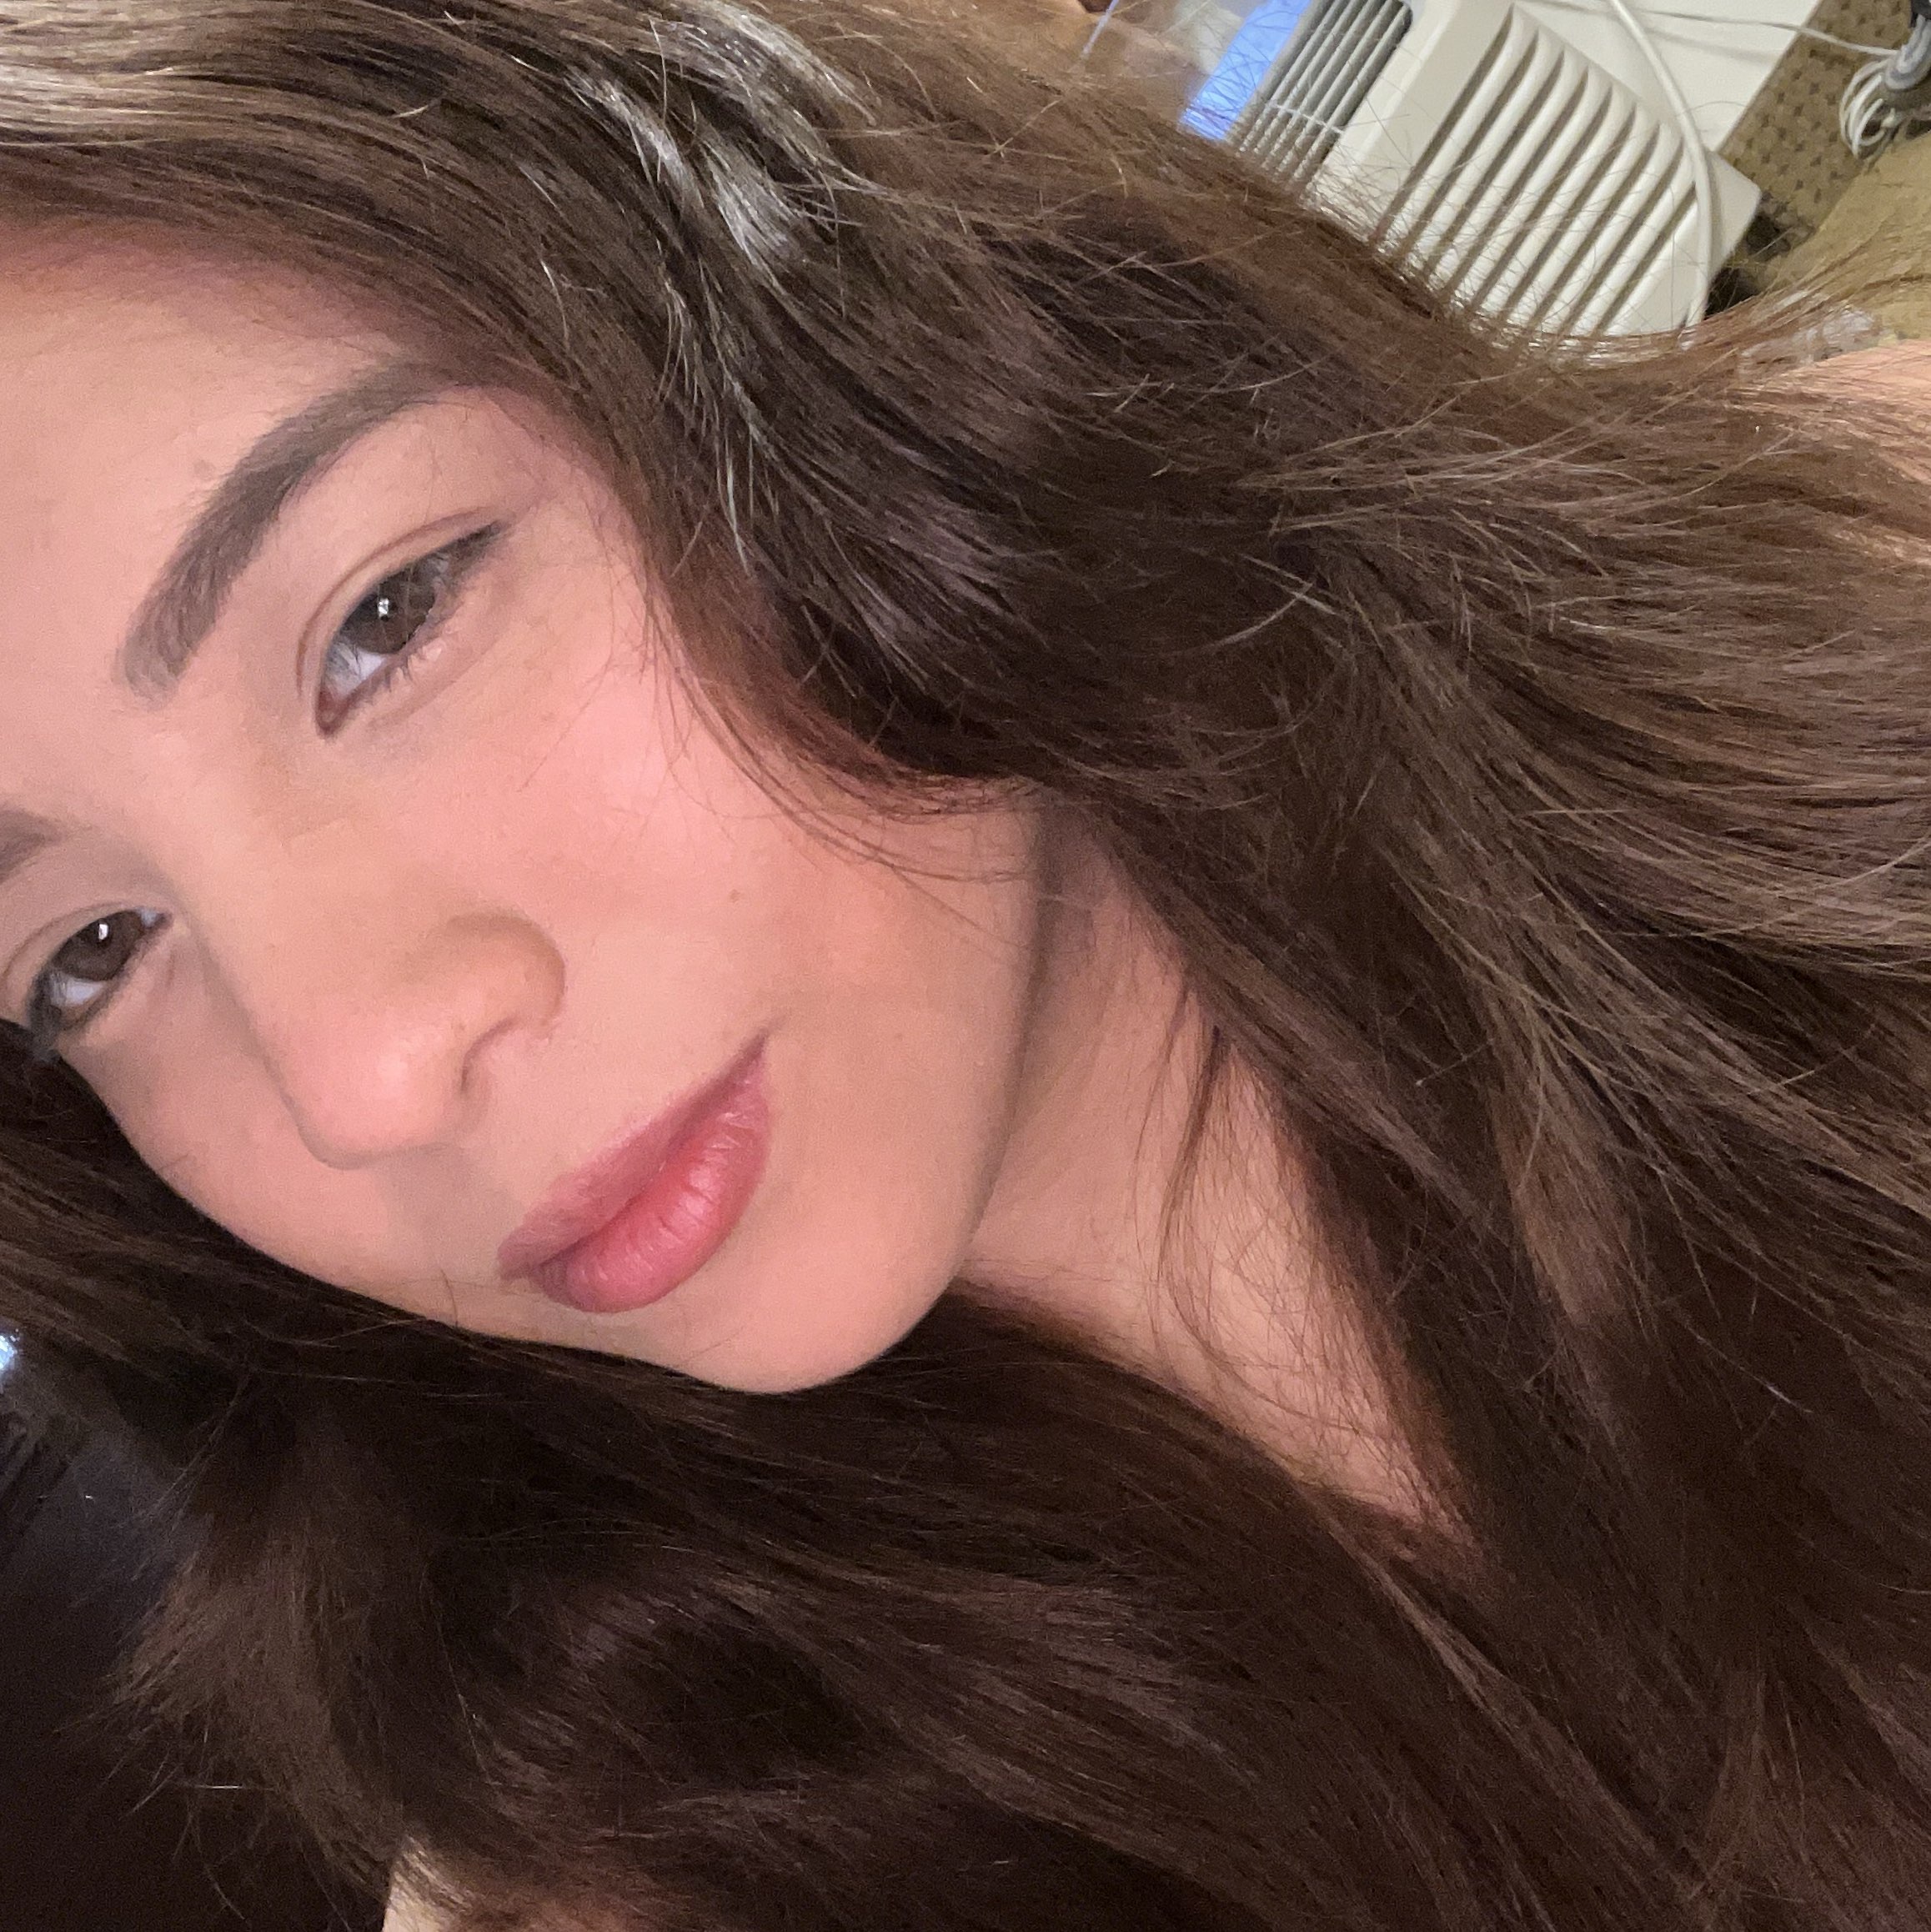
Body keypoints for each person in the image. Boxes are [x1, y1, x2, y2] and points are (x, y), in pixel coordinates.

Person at [3, 0, 1931, 1925]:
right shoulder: (630, 1848)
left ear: (783, 300)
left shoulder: (1870, 606)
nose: (360, 1073)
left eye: (390, 617)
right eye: (90, 952)